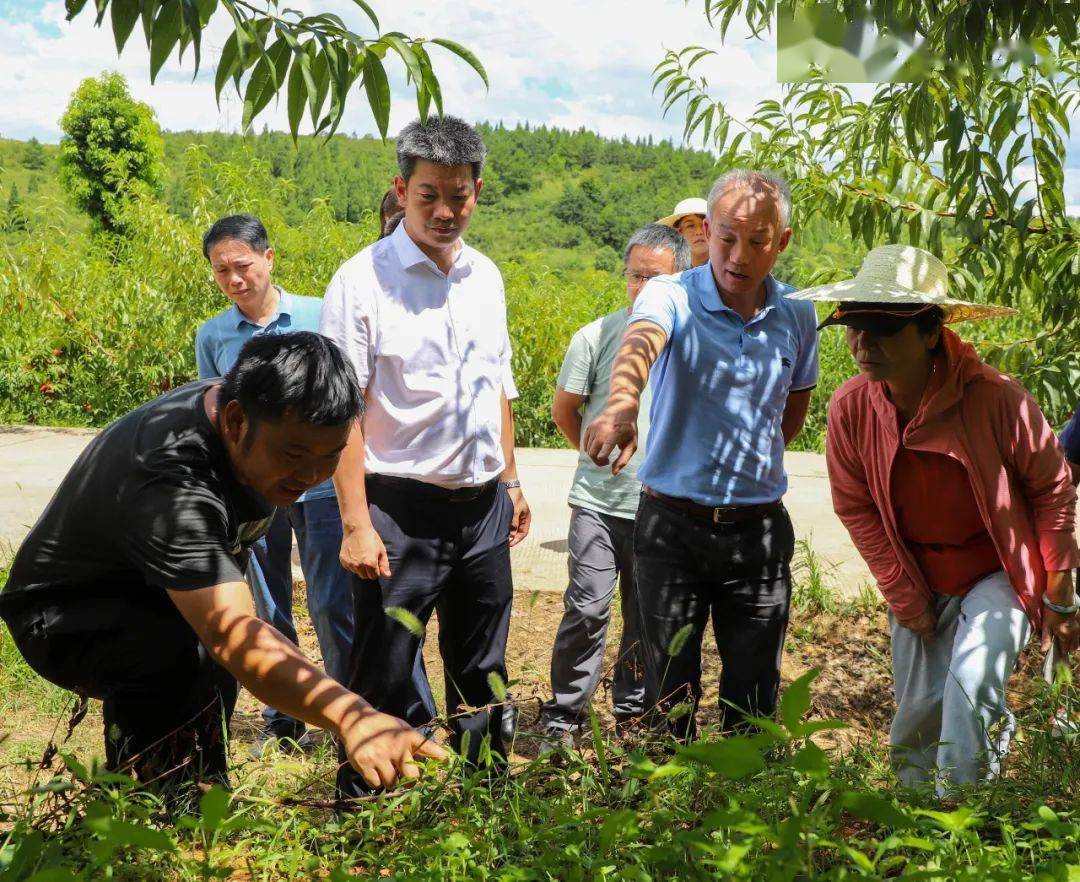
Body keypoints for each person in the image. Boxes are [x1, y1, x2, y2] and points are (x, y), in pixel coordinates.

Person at [0, 333, 446, 794]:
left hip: (149, 589)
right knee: (180, 655)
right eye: (293, 455)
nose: (311, 475)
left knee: (211, 677)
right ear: (234, 422)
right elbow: (233, 633)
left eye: (329, 456)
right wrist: (353, 716)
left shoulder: (257, 407)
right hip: (63, 615)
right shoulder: (173, 484)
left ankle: (200, 798)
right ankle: (153, 821)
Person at [790, 243, 1080, 792]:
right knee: (919, 712)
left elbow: (1052, 490)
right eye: (853, 324)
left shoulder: (999, 400)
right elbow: (856, 505)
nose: (862, 342)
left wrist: (1060, 594)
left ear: (931, 332)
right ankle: (918, 820)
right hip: (917, 572)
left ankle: (965, 819)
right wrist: (904, 593)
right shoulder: (851, 407)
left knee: (972, 684)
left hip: (996, 570)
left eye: (882, 326)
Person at [320, 115, 531, 796]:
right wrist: (355, 523)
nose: (446, 211)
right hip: (397, 515)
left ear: (478, 190)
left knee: (483, 667)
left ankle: (484, 806)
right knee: (382, 667)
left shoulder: (487, 276)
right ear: (401, 188)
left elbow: (497, 383)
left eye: (460, 195)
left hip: (482, 510)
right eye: (429, 195)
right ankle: (360, 810)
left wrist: (513, 479)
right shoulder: (361, 281)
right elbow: (341, 410)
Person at [585, 170, 819, 739]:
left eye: (758, 241)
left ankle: (744, 810)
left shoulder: (797, 314)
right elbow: (640, 345)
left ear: (781, 242)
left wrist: (744, 472)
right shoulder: (671, 293)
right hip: (672, 529)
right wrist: (622, 404)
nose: (739, 256)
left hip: (758, 534)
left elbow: (790, 414)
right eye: (727, 238)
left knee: (755, 688)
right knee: (670, 690)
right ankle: (674, 811)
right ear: (707, 232)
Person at [194, 215, 430, 755]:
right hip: (253, 493)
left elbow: (346, 404)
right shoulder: (213, 335)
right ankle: (283, 719)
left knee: (331, 602)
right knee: (269, 603)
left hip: (320, 488)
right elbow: (217, 415)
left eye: (243, 265)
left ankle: (350, 710)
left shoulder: (318, 314)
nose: (234, 279)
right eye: (221, 270)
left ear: (269, 258)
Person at [540, 224, 691, 750]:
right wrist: (595, 453)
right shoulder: (596, 336)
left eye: (657, 279)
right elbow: (566, 410)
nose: (643, 288)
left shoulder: (690, 341)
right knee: (587, 607)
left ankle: (631, 707)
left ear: (683, 279)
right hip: (598, 503)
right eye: (635, 277)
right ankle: (563, 714)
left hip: (662, 505)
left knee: (644, 616)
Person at [657, 197, 709, 268]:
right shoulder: (669, 272)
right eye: (690, 226)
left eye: (704, 225)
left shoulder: (726, 268)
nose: (699, 232)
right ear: (678, 233)